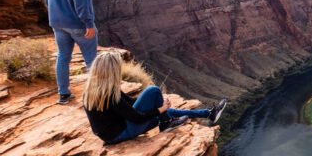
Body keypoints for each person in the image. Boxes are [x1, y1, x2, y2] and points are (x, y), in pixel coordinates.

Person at [82, 52, 227, 145]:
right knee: (153, 90)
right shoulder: (109, 94)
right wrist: (159, 109)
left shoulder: (93, 91)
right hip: (121, 134)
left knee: (165, 109)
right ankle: (166, 123)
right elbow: (137, 118)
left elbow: (131, 104)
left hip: (115, 133)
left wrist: (157, 105)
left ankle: (208, 114)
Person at [44, 0, 98, 105]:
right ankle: (96, 98)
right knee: (92, 60)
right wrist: (89, 23)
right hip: (78, 25)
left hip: (57, 23)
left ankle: (64, 95)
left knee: (63, 57)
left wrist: (55, 14)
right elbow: (81, 4)